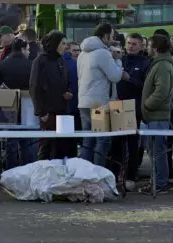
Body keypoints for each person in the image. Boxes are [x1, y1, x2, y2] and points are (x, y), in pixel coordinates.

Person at [77, 23, 125, 167]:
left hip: (83, 101)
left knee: (87, 140)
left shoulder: (82, 53)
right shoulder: (103, 53)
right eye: (112, 36)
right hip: (98, 104)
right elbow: (115, 76)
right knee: (102, 139)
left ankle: (84, 173)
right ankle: (98, 173)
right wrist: (118, 59)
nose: (112, 39)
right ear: (105, 36)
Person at [110, 34, 149, 184]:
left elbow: (145, 87)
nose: (131, 46)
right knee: (116, 143)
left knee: (132, 143)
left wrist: (129, 79)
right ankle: (114, 175)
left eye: (134, 44)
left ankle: (131, 176)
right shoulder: (120, 60)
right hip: (117, 105)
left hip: (133, 108)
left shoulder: (145, 63)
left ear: (141, 46)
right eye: (129, 43)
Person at [30, 31, 75, 160]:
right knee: (46, 145)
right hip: (48, 112)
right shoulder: (40, 61)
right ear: (55, 44)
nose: (65, 46)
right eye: (63, 43)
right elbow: (35, 87)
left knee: (60, 147)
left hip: (61, 109)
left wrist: (67, 91)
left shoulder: (60, 60)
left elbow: (65, 81)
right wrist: (41, 112)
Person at [0, 38, 36, 167]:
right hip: (27, 107)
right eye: (27, 49)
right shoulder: (31, 65)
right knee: (28, 142)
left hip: (7, 107)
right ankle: (28, 169)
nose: (28, 52)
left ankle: (10, 171)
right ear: (22, 49)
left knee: (10, 141)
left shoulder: (3, 64)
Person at [139, 34, 173, 195]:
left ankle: (160, 183)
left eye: (149, 45)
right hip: (154, 116)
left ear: (156, 48)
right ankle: (157, 182)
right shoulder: (160, 64)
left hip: (157, 116)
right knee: (154, 150)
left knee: (158, 151)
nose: (147, 48)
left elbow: (161, 91)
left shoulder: (163, 66)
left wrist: (147, 104)